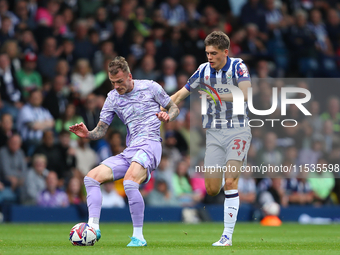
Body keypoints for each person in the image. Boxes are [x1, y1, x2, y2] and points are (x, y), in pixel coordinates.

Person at [69, 56, 179, 247]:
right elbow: (101, 130)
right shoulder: (112, 97)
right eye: (113, 83)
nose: (117, 86)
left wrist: (167, 115)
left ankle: (139, 237)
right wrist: (88, 134)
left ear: (129, 76)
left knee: (129, 182)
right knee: (91, 178)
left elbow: (173, 107)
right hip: (131, 150)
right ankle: (93, 227)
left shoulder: (150, 87)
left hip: (150, 144)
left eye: (120, 81)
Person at [167, 31, 252, 246]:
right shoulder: (203, 70)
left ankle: (227, 236)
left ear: (225, 52)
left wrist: (215, 94)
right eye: (207, 53)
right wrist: (159, 106)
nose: (209, 57)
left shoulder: (238, 66)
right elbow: (180, 94)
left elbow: (246, 94)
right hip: (214, 133)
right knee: (213, 188)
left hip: (238, 129)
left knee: (230, 182)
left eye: (214, 53)